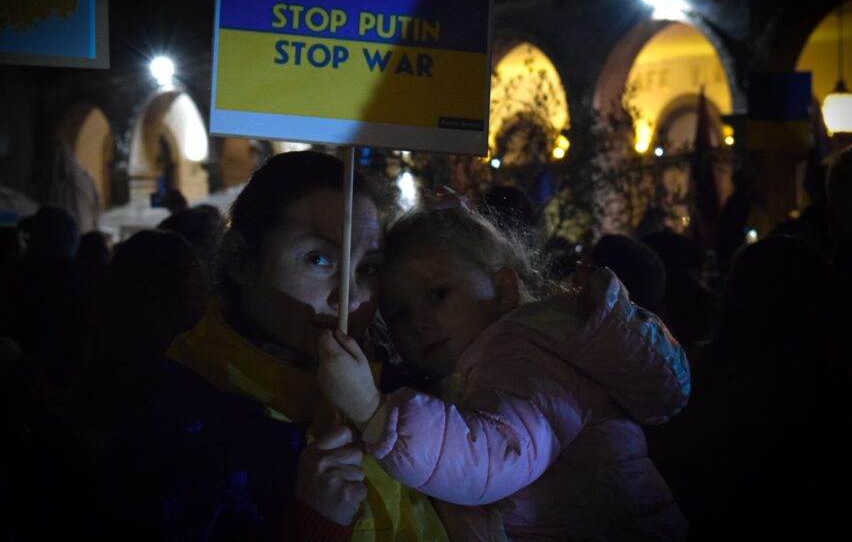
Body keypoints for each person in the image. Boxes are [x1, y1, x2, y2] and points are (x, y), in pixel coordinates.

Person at [112, 151, 446, 540]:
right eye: (319, 258)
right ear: (241, 260)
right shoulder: (176, 420)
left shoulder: (401, 395)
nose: (350, 297)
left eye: (368, 268)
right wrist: (311, 523)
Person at [319, 201, 690, 541]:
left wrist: (372, 411)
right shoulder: (482, 363)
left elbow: (495, 457)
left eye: (438, 294)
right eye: (400, 315)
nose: (419, 324)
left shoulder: (521, 357)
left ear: (504, 289)